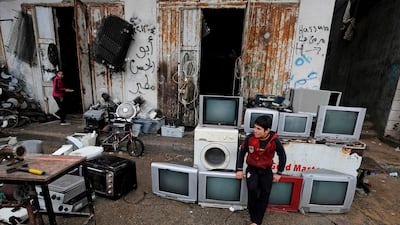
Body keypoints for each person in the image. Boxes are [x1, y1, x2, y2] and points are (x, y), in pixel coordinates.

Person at [236, 115, 286, 225]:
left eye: (259, 129)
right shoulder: (250, 138)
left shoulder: (275, 141)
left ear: (267, 130)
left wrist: (279, 173)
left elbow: (282, 156)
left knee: (265, 193)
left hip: (266, 170)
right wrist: (239, 169)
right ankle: (254, 218)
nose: (255, 131)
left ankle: (257, 221)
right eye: (255, 127)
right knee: (252, 190)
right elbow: (242, 153)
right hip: (252, 169)